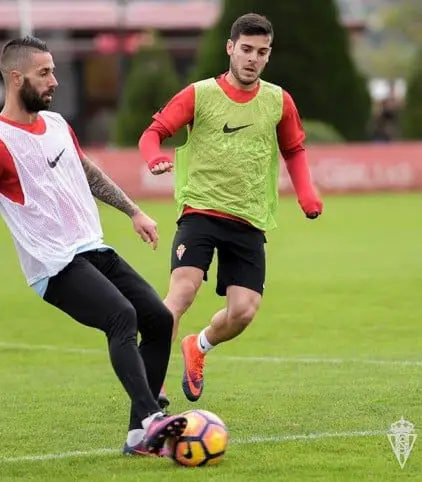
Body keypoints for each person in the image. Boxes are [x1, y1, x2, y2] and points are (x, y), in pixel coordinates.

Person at [0, 35, 189, 456]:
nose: (54, 80)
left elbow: (88, 172)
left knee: (159, 319)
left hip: (92, 250)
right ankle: (150, 419)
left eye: (53, 70)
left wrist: (133, 212)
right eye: (44, 73)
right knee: (122, 317)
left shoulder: (57, 125)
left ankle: (137, 436)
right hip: (52, 266)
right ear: (16, 79)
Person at [138, 13, 324, 405]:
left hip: (249, 218)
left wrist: (307, 193)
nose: (253, 58)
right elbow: (152, 133)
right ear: (230, 48)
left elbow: (294, 149)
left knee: (243, 312)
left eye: (262, 52)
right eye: (246, 49)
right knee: (181, 293)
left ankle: (199, 347)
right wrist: (153, 156)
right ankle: (152, 384)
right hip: (200, 212)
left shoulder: (278, 101)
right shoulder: (199, 94)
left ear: (268, 55)